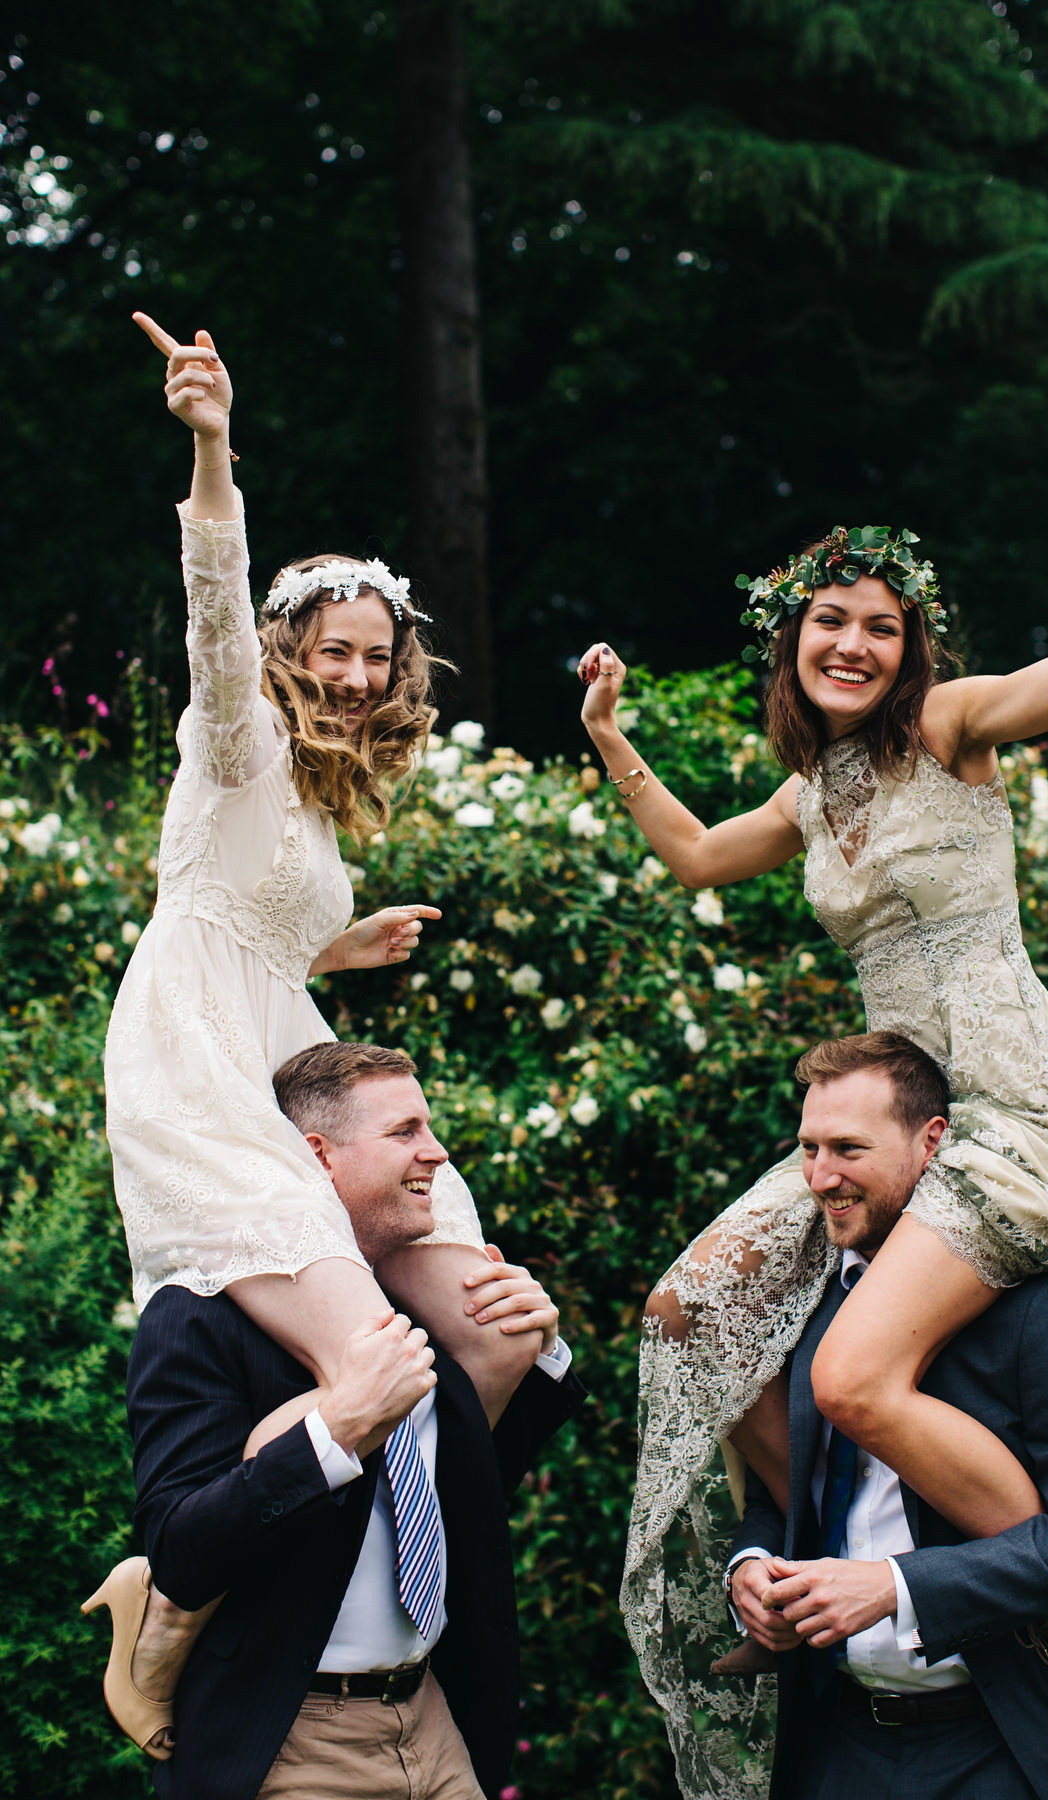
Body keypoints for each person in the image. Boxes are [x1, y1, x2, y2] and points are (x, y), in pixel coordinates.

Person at [578, 467, 1048, 1793]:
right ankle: (808, 1573)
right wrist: (610, 733)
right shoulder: (815, 796)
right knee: (694, 1313)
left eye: (879, 625)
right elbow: (695, 858)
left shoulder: (953, 731)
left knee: (855, 1375)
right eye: (829, 623)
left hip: (1000, 1106)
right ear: (791, 642)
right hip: (894, 1103)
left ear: (912, 647)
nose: (853, 644)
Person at [95, 316, 532, 1746]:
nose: (350, 675)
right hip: (200, 1072)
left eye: (371, 654)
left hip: (286, 1043)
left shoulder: (328, 799)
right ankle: (175, 1609)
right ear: (289, 652)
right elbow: (212, 614)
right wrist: (214, 452)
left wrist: (337, 946)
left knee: (488, 1332)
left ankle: (351, 1603)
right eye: (328, 651)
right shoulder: (240, 734)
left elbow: (257, 918)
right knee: (380, 1365)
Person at [84, 1041, 586, 1800]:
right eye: (405, 1132)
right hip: (290, 1740)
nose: (437, 1151)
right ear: (318, 1156)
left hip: (435, 1724)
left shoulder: (411, 1302)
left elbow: (459, 1498)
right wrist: (335, 1432)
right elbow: (181, 1550)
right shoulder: (197, 1318)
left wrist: (537, 1350)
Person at [726, 1031, 1048, 1800]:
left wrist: (896, 1587)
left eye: (848, 1149)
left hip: (1002, 1740)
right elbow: (787, 1486)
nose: (820, 1178)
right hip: (837, 1743)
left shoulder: (1043, 1307)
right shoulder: (811, 1299)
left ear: (932, 1142)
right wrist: (752, 1568)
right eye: (808, 1148)